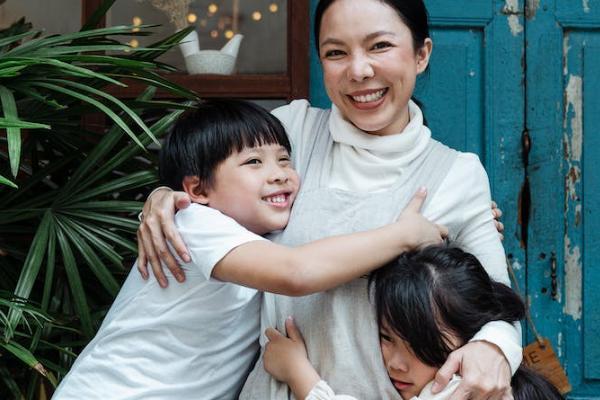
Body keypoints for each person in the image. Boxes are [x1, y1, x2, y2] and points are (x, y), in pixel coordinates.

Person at [137, 1, 521, 398]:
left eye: (379, 46)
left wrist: (493, 347)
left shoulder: (456, 174)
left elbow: (499, 306)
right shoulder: (291, 134)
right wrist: (167, 196)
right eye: (336, 52)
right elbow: (216, 189)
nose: (358, 71)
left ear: (422, 54)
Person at [52, 99, 446, 400]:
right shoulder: (194, 224)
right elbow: (297, 272)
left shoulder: (259, 238)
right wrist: (405, 234)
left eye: (284, 160)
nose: (279, 174)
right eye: (254, 162)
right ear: (198, 190)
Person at [262, 246, 564, 400]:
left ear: (472, 337)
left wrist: (297, 372)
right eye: (386, 337)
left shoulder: (461, 390)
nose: (397, 364)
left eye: (420, 346)